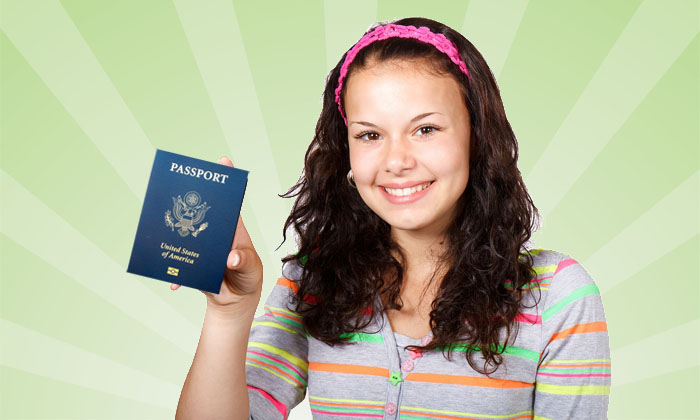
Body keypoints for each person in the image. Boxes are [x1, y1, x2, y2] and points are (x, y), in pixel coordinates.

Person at [173, 16, 611, 420]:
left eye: (426, 129)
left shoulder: (556, 297)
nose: (396, 160)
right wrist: (229, 314)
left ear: (477, 136)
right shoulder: (313, 282)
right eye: (370, 135)